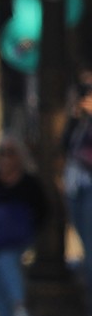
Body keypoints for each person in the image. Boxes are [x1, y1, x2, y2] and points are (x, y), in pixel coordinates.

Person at [0, 136, 46, 316]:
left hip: (18, 238)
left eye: (11, 153)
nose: (5, 158)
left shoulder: (29, 183)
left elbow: (43, 211)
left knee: (6, 261)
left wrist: (27, 227)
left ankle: (19, 307)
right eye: (1, 153)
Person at [65, 81, 92, 303]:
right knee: (85, 248)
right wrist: (75, 117)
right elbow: (65, 145)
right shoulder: (78, 121)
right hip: (77, 186)